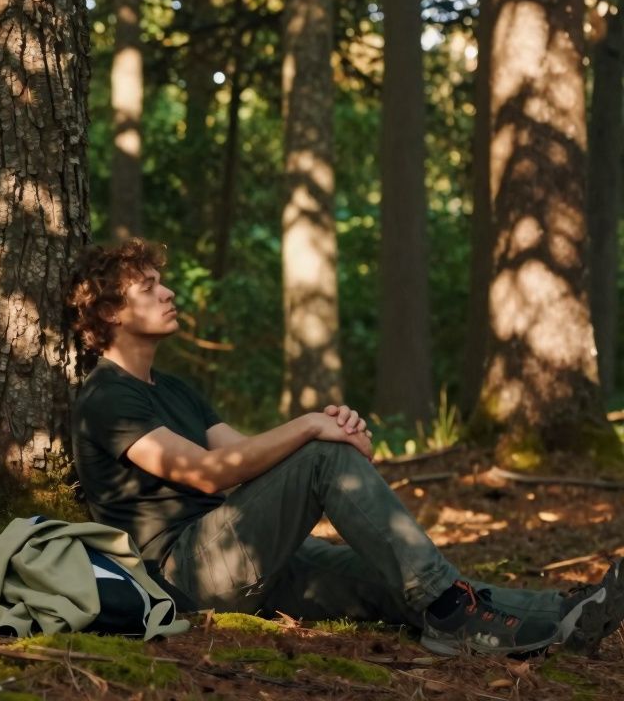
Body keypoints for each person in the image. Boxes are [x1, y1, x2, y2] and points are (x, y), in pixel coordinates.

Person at [67, 238, 624, 656]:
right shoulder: (106, 397)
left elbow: (245, 459)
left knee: (392, 580)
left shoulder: (176, 391)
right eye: (149, 288)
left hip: (242, 556)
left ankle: (563, 614)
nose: (168, 292)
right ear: (112, 312)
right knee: (320, 456)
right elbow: (211, 474)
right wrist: (314, 433)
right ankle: (454, 616)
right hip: (182, 575)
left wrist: (335, 431)